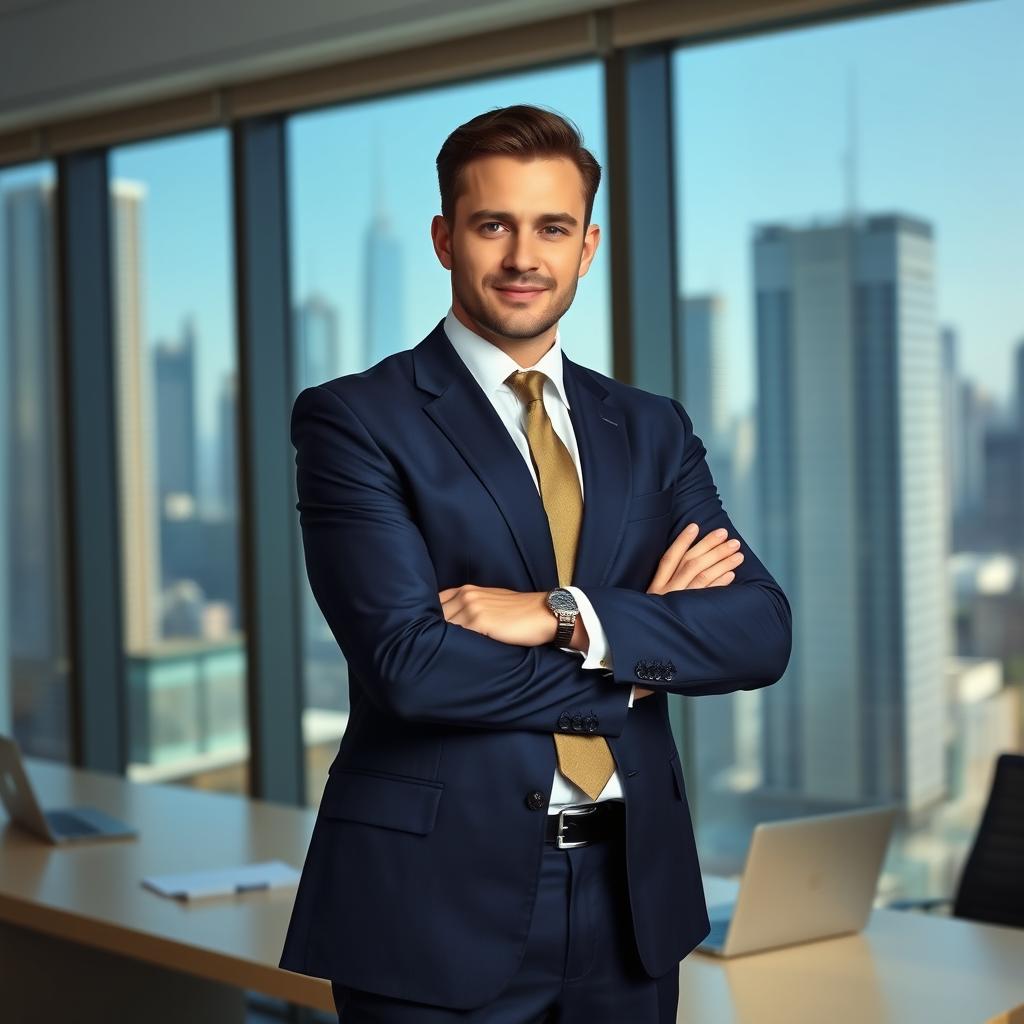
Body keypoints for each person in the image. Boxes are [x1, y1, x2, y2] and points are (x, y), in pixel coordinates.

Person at [277, 103, 792, 1022]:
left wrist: (562, 614)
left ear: (587, 246)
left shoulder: (649, 427)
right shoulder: (356, 420)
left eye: (552, 227)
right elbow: (412, 667)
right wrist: (631, 661)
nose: (524, 257)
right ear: (445, 239)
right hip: (431, 906)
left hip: (633, 899)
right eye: (493, 225)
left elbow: (758, 630)